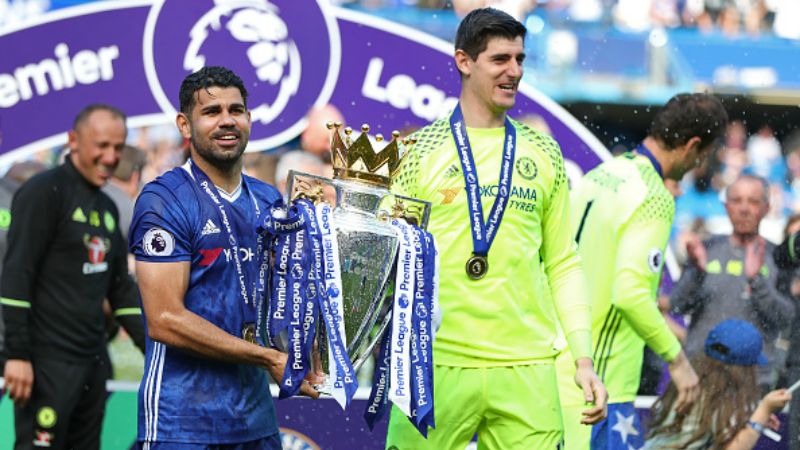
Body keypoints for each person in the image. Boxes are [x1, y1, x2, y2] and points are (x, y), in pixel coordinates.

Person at [386, 8, 607, 449]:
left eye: (520, 59)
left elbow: (563, 262)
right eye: (500, 59)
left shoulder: (543, 151)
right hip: (435, 365)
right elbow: (388, 257)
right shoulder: (419, 152)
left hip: (526, 369)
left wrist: (583, 357)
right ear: (464, 61)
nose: (514, 71)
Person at [128, 66, 321, 449]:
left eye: (236, 110)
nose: (227, 121)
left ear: (249, 119)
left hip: (255, 422)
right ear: (185, 126)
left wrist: (310, 355)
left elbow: (289, 300)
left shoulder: (270, 201)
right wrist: (267, 358)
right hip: (181, 423)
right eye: (212, 112)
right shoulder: (164, 200)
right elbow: (165, 320)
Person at [557, 93, 729, 450]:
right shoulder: (653, 196)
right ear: (693, 145)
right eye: (705, 156)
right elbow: (630, 293)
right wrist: (677, 362)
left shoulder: (605, 171)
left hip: (558, 364)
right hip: (600, 384)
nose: (700, 165)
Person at [1, 105, 146, 449]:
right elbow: (16, 274)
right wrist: (16, 355)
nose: (110, 157)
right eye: (101, 145)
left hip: (93, 366)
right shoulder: (42, 192)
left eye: (118, 147)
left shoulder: (108, 208)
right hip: (46, 366)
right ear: (73, 141)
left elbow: (120, 291)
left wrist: (155, 349)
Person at [670, 175, 795, 393]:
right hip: (700, 375)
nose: (744, 209)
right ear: (726, 206)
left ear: (766, 208)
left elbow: (786, 318)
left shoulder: (778, 257)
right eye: (737, 201)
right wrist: (697, 274)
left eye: (753, 201)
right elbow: (678, 306)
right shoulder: (706, 249)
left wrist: (757, 282)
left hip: (754, 381)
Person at [645, 319, 792, 450]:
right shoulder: (714, 398)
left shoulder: (692, 383)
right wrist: (763, 412)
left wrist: (748, 417)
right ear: (744, 370)